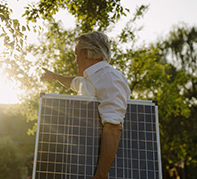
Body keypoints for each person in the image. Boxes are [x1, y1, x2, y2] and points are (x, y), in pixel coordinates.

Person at [41, 31, 131, 179]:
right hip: (87, 163)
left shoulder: (110, 77)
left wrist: (101, 174)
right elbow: (74, 83)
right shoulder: (93, 78)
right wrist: (55, 77)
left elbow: (113, 126)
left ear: (85, 53)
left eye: (76, 55)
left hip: (102, 170)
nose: (75, 61)